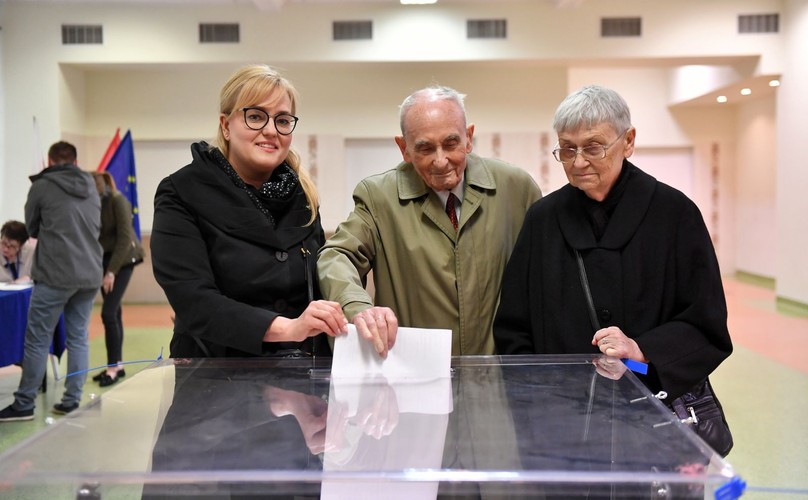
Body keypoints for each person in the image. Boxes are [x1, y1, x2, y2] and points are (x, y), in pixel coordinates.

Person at [494, 85, 733, 403]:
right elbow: (513, 324)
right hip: (561, 408)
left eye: (593, 148)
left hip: (647, 402)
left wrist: (641, 351)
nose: (578, 163)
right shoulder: (543, 219)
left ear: (628, 141)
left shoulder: (675, 214)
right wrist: (536, 392)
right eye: (567, 149)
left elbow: (705, 321)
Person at [318, 86, 542, 357]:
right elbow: (336, 255)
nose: (440, 161)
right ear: (404, 149)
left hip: (497, 379)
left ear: (468, 138)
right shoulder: (379, 197)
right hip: (414, 375)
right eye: (424, 148)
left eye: (451, 144)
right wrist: (357, 306)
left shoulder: (516, 189)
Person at [150, 64, 347, 359]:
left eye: (282, 120)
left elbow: (320, 280)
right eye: (255, 116)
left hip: (302, 377)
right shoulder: (181, 191)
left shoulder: (304, 195)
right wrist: (288, 328)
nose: (270, 130)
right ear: (226, 126)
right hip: (217, 380)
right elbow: (193, 300)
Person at [0, 141, 103, 421]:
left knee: (36, 340)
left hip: (56, 272)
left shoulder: (42, 186)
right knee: (79, 337)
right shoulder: (91, 185)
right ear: (75, 160)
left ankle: (24, 404)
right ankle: (71, 400)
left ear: (49, 160)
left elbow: (31, 229)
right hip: (89, 272)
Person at [88, 171, 144, 387]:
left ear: (99, 187)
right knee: (115, 312)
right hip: (105, 259)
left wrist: (111, 272)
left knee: (108, 312)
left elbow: (124, 238)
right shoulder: (92, 204)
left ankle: (112, 367)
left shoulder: (117, 201)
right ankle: (117, 365)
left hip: (125, 259)